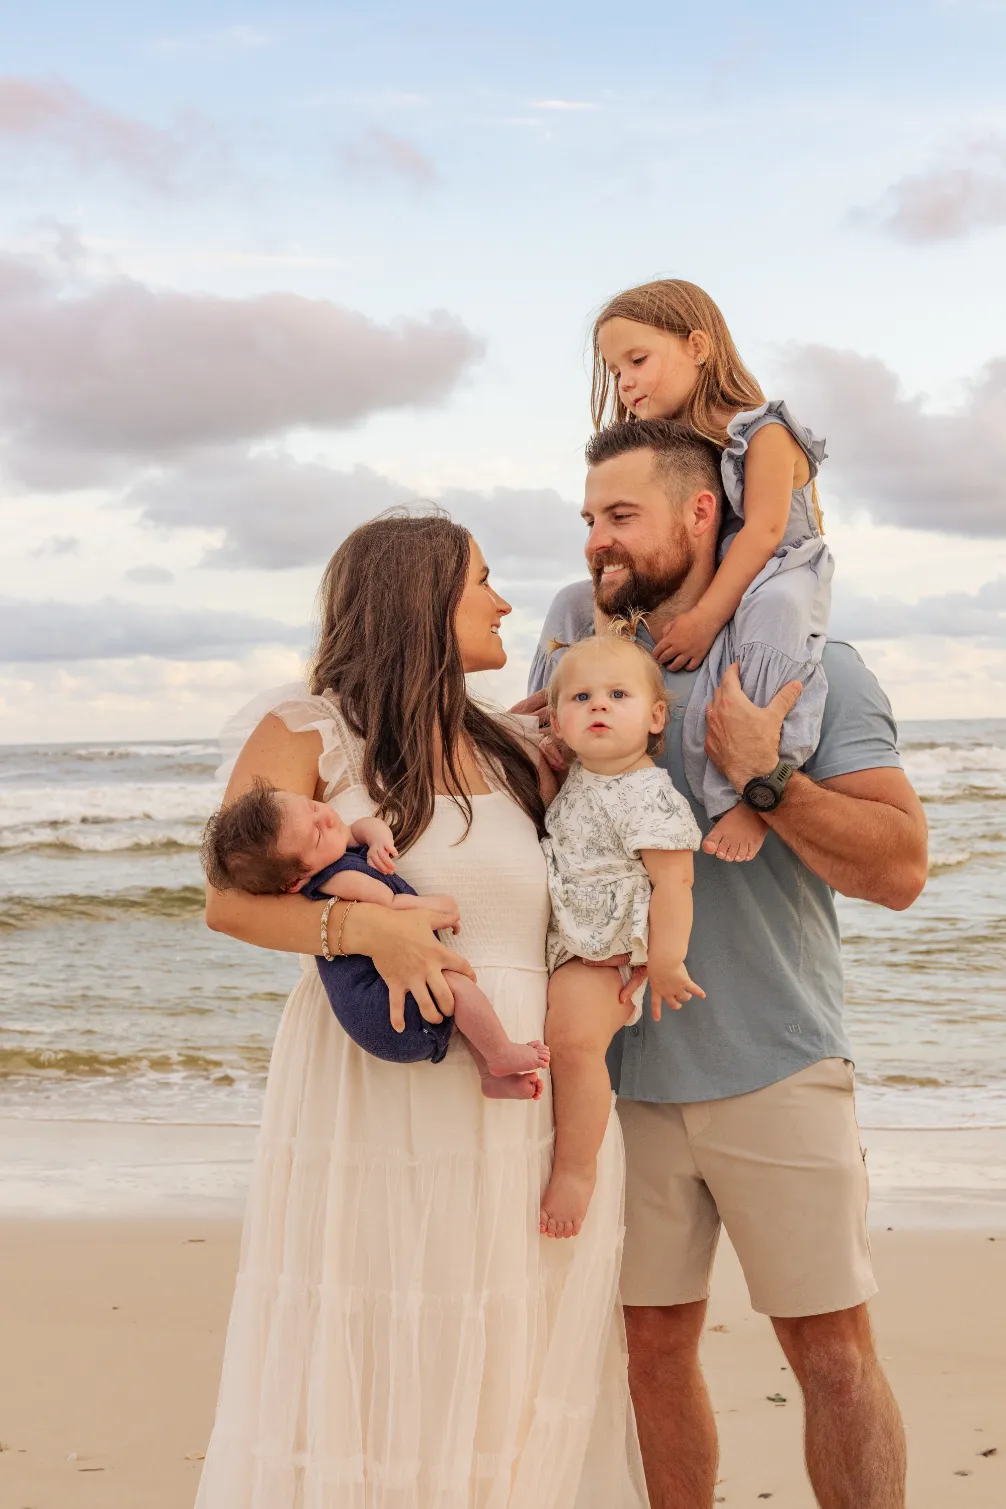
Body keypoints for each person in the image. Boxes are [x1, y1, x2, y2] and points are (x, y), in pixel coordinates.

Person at [196, 512, 649, 1509]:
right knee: (392, 1342)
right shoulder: (308, 727)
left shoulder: (510, 747)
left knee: (510, 1365)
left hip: (524, 1102)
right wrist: (367, 935)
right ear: (421, 600)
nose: (503, 602)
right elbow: (228, 898)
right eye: (481, 581)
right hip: (384, 1101)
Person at [524, 419, 928, 1509]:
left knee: (832, 1358)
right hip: (616, 1087)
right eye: (588, 523)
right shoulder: (572, 673)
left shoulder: (811, 667)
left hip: (777, 1065)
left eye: (620, 518)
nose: (596, 544)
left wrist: (765, 783)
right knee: (648, 1354)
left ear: (701, 514)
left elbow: (899, 871)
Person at [592, 278, 833, 863]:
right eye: (615, 370)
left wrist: (703, 618)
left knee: (774, 616)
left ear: (699, 346)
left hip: (782, 571)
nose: (625, 382)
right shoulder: (689, 446)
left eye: (638, 360)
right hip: (736, 576)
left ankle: (755, 795)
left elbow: (765, 533)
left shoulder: (765, 432)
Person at [201, 781, 550, 1098]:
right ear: (295, 881)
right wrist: (439, 908)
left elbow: (358, 828)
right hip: (381, 1015)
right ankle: (501, 1053)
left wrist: (378, 837)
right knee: (457, 989)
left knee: (455, 1002)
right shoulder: (338, 879)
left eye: (312, 806)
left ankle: (492, 1077)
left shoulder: (333, 847)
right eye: (316, 834)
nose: (325, 819)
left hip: (378, 1003)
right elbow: (390, 905)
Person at [538, 628, 703, 1238]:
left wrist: (666, 961)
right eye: (580, 699)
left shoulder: (647, 793)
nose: (598, 706)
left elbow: (675, 883)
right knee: (557, 1047)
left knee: (575, 1047)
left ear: (656, 716)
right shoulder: (582, 779)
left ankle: (577, 1171)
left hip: (603, 951)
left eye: (617, 695)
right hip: (569, 941)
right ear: (556, 721)